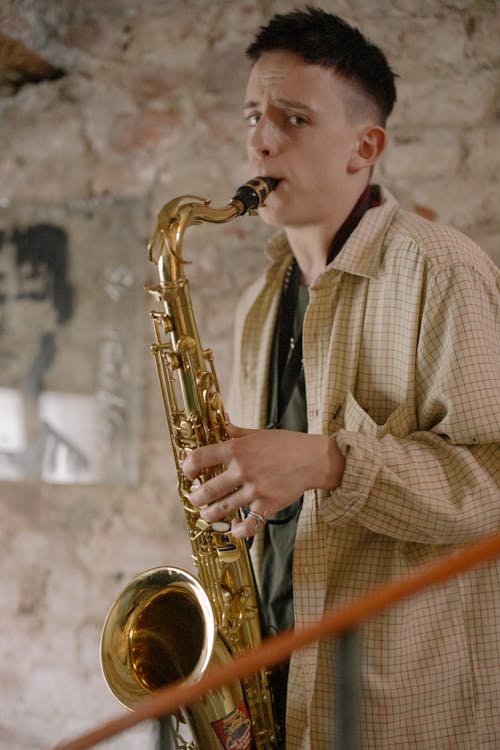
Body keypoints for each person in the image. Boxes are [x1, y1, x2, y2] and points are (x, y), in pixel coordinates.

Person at [182, 7, 500, 749]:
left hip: (399, 708)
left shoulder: (442, 269)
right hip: (278, 687)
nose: (261, 139)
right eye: (253, 115)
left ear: (366, 145)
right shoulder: (262, 303)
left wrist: (330, 461)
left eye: (293, 118)